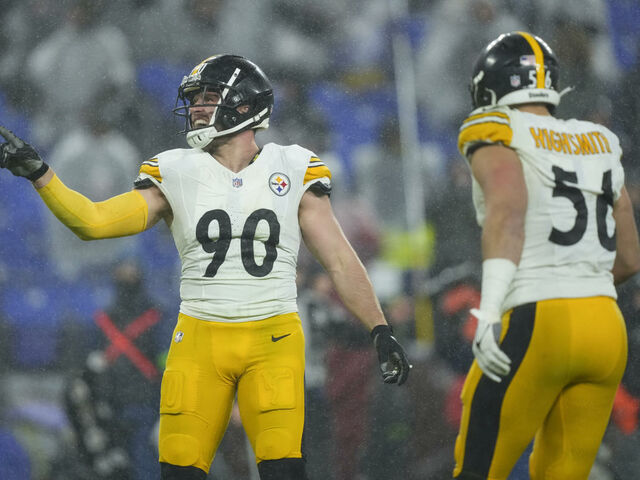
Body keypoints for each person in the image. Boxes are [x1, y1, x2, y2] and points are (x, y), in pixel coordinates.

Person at [0, 54, 411, 480]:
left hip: (273, 338)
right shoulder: (176, 169)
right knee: (179, 471)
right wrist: (41, 175)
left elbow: (340, 260)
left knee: (283, 470)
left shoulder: (292, 166)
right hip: (199, 338)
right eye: (194, 99)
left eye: (208, 97)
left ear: (245, 104)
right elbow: (93, 222)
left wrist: (379, 328)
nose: (196, 107)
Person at [453, 31, 640, 479]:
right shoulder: (599, 140)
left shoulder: (497, 128)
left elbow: (507, 212)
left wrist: (491, 309)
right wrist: (582, 285)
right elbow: (631, 257)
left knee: (478, 471)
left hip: (540, 317)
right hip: (605, 327)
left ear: (489, 89)